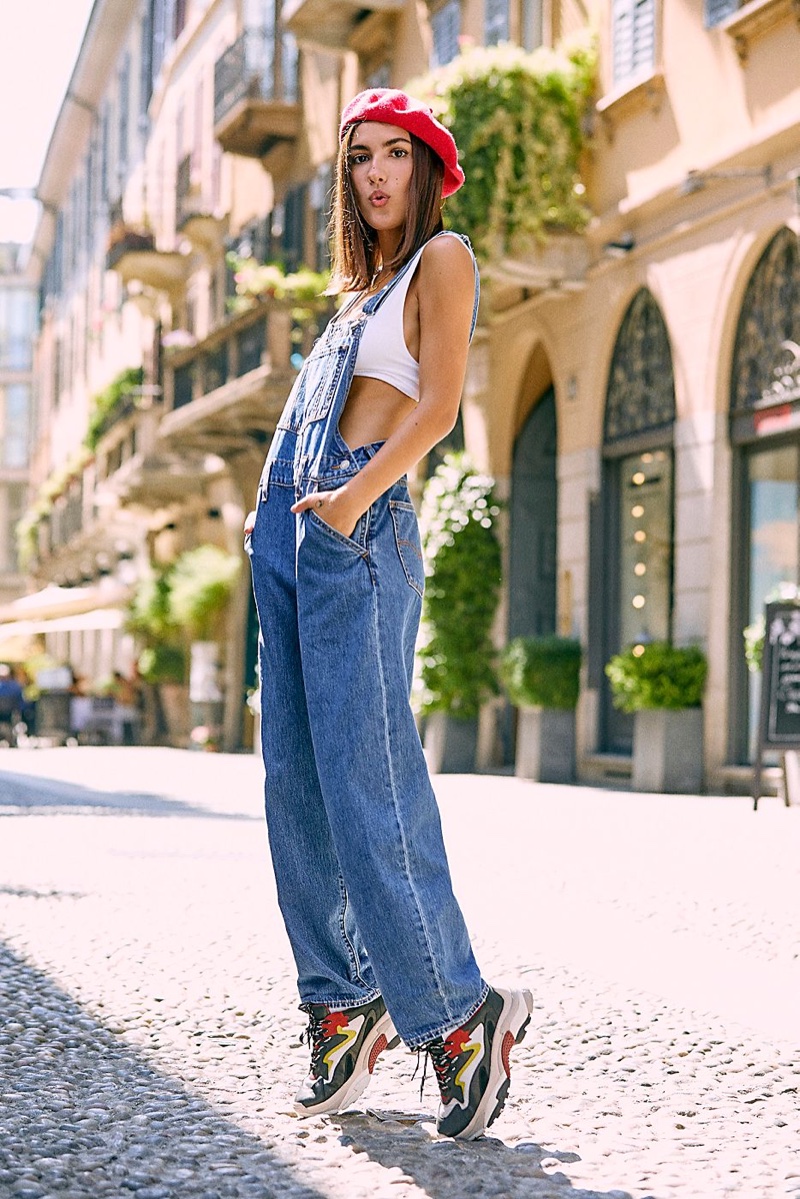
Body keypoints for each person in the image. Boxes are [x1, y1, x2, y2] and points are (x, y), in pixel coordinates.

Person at [245, 88, 531, 1140]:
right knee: (295, 788)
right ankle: (342, 1002)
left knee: (370, 784)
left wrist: (350, 501)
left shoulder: (437, 263)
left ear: (425, 169)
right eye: (357, 157)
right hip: (289, 536)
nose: (373, 174)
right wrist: (277, 521)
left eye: (391, 156)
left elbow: (440, 402)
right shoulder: (348, 299)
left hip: (352, 530)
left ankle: (460, 1016)